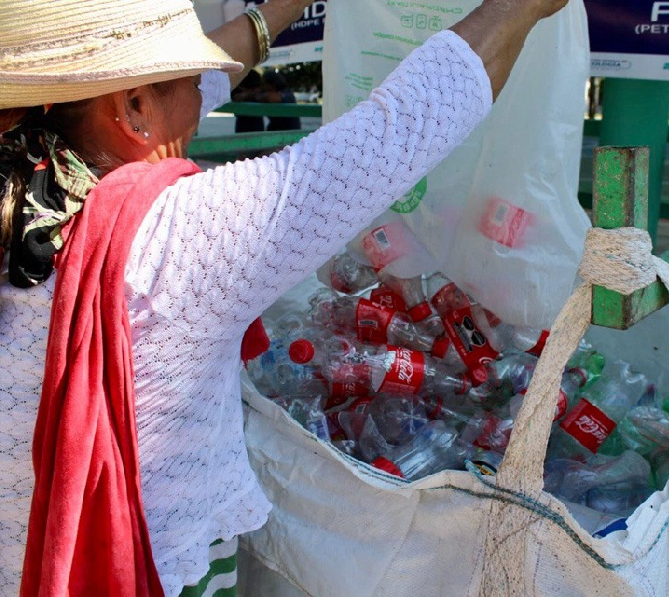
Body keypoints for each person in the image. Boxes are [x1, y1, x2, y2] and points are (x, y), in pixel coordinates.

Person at [0, 0, 569, 595]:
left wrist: (279, 11)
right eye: (191, 81)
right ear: (136, 107)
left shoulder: (27, 188)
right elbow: (401, 127)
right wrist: (518, 8)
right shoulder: (173, 240)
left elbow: (211, 73)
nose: (204, 95)